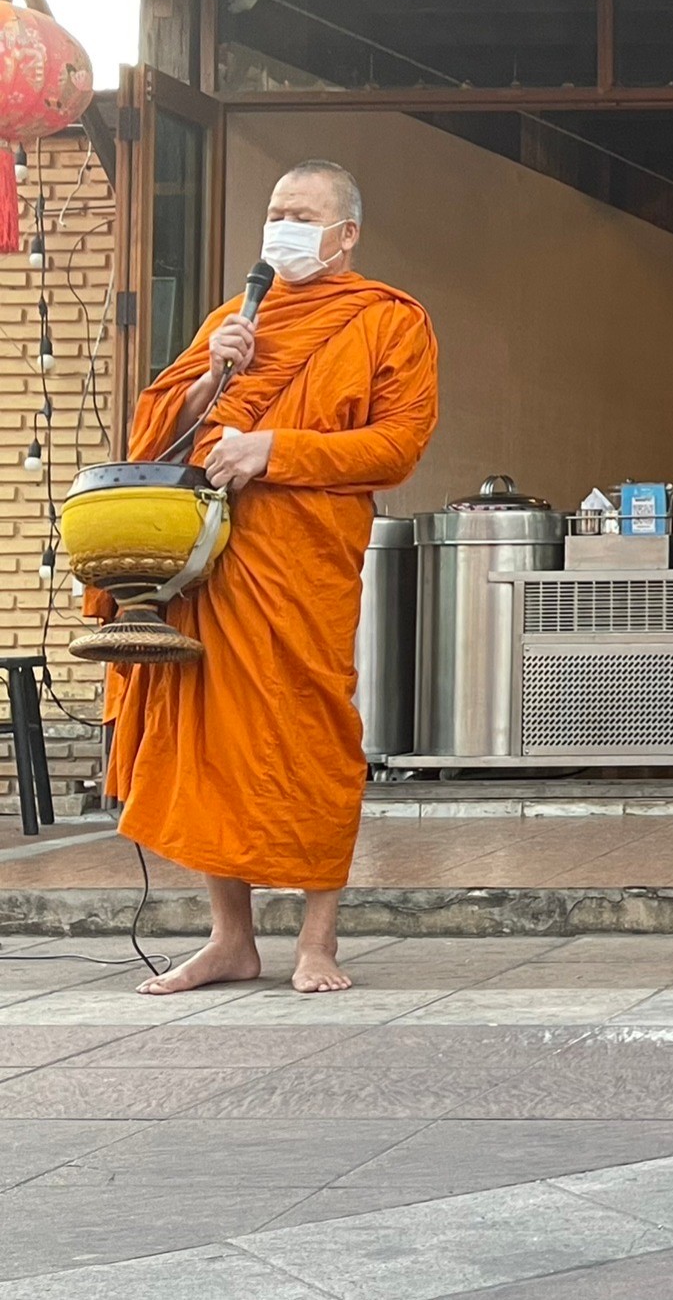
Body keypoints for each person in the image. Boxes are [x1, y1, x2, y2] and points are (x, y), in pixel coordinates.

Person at [98, 162, 439, 994]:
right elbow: (158, 433)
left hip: (302, 564)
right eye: (274, 211)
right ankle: (230, 937)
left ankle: (316, 941)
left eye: (301, 213)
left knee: (312, 735)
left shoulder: (389, 321)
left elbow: (398, 446)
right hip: (209, 565)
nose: (281, 225)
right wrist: (210, 377)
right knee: (209, 737)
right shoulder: (232, 318)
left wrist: (275, 451)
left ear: (345, 233)